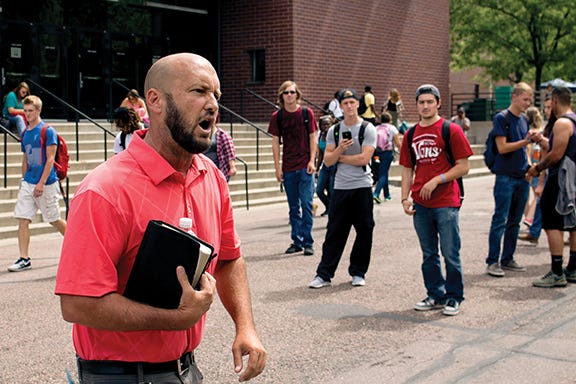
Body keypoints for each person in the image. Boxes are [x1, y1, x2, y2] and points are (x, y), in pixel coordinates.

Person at [54, 53, 266, 383]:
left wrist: (246, 326)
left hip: (187, 369)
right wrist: (176, 318)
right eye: (199, 91)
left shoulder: (211, 177)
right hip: (121, 377)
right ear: (155, 101)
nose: (212, 104)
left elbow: (229, 259)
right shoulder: (104, 190)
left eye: (217, 96)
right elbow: (78, 304)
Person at [399, 84, 473, 316]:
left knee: (450, 252)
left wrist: (437, 180)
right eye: (421, 102)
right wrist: (404, 198)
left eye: (430, 101)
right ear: (417, 105)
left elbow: (464, 167)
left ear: (438, 103)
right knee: (428, 253)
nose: (426, 106)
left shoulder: (450, 130)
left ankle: (454, 296)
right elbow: (407, 168)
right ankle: (435, 294)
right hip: (421, 204)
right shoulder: (411, 134)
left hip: (446, 202)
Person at [308, 88, 377, 289]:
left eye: (351, 102)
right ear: (340, 106)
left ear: (357, 104)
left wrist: (340, 157)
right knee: (335, 232)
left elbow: (365, 158)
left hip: (362, 185)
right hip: (340, 187)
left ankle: (358, 271)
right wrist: (340, 149)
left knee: (364, 230)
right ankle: (324, 274)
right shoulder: (334, 131)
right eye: (344, 103)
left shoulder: (367, 128)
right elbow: (328, 162)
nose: (348, 106)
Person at [8, 95, 66, 272]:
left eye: (30, 111)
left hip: (47, 183)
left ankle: (79, 246)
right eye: (25, 111)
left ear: (38, 110)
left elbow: (50, 160)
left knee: (54, 219)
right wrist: (24, 178)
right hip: (28, 183)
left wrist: (40, 183)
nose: (27, 115)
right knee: (23, 218)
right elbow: (25, 157)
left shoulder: (47, 131)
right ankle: (24, 259)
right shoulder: (25, 133)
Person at [485, 82, 536, 278]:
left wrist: (530, 165)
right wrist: (526, 141)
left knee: (514, 221)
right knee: (500, 219)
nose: (527, 103)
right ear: (514, 97)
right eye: (525, 99)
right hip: (505, 177)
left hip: (522, 176)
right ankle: (492, 261)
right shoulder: (502, 118)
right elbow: (503, 147)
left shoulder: (524, 119)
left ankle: (508, 258)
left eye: (529, 100)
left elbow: (524, 149)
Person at [527, 86, 576, 287]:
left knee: (552, 222)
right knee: (573, 223)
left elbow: (556, 154)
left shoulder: (562, 123)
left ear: (555, 100)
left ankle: (557, 271)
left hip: (561, 179)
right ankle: (573, 268)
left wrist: (536, 169)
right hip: (574, 178)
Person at [268, 80, 317, 256]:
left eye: (292, 92)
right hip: (288, 167)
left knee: (307, 203)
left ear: (297, 94)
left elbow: (313, 137)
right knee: (293, 207)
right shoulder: (277, 117)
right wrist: (277, 167)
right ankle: (297, 241)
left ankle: (308, 241)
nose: (289, 95)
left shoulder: (306, 113)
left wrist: (312, 160)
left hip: (305, 166)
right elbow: (275, 143)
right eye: (286, 93)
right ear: (281, 96)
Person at [519, 98, 552, 244]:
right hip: (543, 169)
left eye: (550, 107)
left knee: (540, 200)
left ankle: (532, 226)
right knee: (538, 199)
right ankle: (533, 229)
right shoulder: (547, 128)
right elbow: (543, 152)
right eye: (546, 107)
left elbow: (554, 150)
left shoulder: (562, 125)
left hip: (558, 172)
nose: (546, 111)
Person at [521, 107, 544, 229]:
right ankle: (531, 220)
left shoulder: (529, 133)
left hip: (534, 166)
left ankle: (529, 219)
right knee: (537, 195)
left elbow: (527, 152)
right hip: (540, 166)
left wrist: (528, 168)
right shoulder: (542, 132)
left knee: (532, 196)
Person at [373, 112, 401, 203]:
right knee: (383, 174)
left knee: (383, 172)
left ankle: (387, 195)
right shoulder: (392, 128)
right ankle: (376, 193)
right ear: (390, 120)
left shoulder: (376, 128)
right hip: (387, 153)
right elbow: (397, 143)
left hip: (376, 154)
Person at [316, 115, 336, 216]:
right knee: (319, 190)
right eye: (323, 125)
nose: (326, 126)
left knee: (332, 191)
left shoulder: (335, 136)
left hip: (334, 166)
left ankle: (331, 211)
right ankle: (329, 206)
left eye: (328, 124)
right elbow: (320, 154)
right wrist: (316, 168)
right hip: (325, 167)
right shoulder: (320, 135)